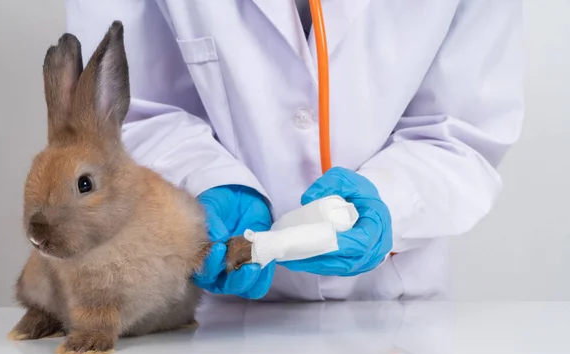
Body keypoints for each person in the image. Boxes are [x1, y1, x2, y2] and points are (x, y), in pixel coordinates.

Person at [64, 0, 523, 301]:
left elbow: (461, 131)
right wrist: (204, 186)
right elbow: (122, 117)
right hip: (206, 318)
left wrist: (393, 201)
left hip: (395, 312)